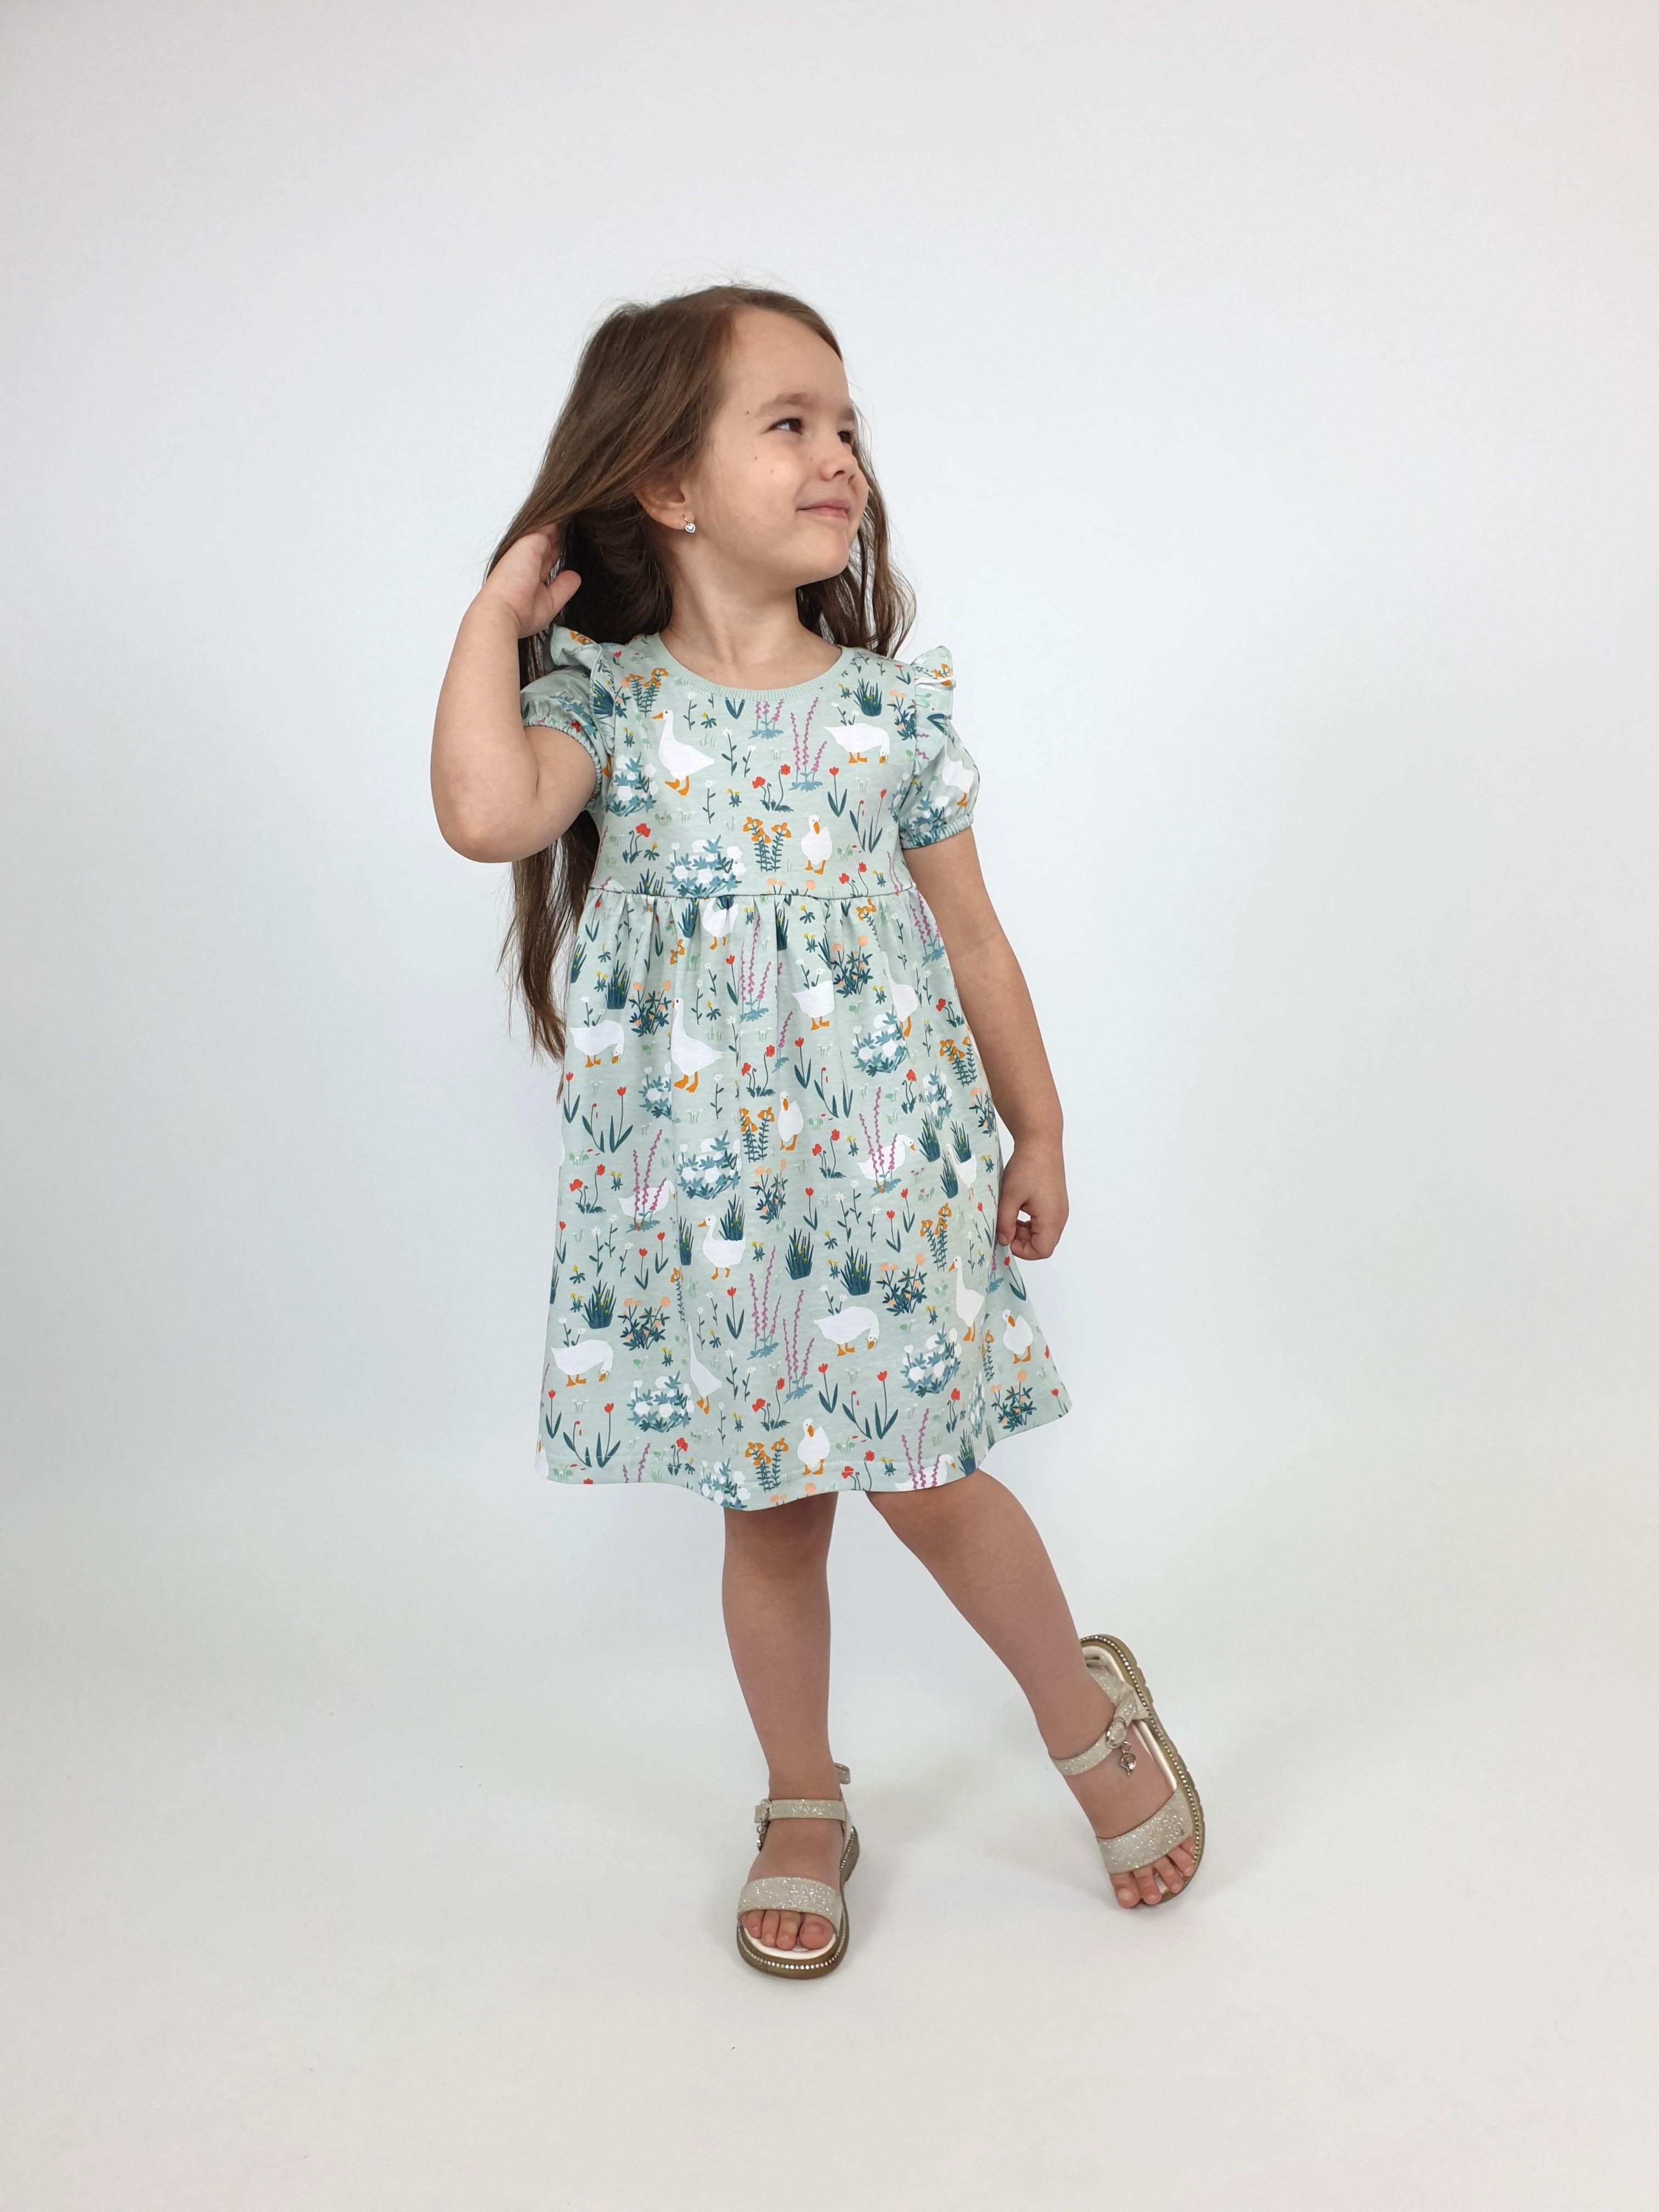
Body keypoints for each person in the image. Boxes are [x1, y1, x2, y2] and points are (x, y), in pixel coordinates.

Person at [430, 283, 1203, 1977]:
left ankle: (1086, 1720)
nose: (840, 454)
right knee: (770, 1516)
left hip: (888, 1176)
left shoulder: (885, 709)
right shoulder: (607, 706)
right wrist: (497, 613)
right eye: (789, 424)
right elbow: (485, 814)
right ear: (668, 484)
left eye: (846, 424)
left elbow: (976, 942)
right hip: (715, 1218)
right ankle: (801, 1795)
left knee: (931, 1483)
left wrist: (1040, 1130)